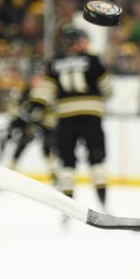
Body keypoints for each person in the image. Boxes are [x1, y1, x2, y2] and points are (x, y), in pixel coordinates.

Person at [30, 26, 113, 209]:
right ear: (75, 43)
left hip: (66, 119)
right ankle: (103, 204)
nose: (86, 44)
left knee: (67, 163)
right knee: (97, 160)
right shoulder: (93, 60)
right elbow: (108, 90)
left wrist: (36, 106)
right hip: (91, 117)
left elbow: (45, 91)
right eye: (83, 40)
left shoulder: (54, 63)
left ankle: (67, 208)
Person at [0, 81, 57, 180]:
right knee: (21, 146)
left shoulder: (40, 95)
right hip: (31, 123)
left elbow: (45, 113)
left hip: (45, 124)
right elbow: (17, 115)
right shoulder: (24, 97)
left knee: (47, 148)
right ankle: (11, 170)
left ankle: (54, 173)